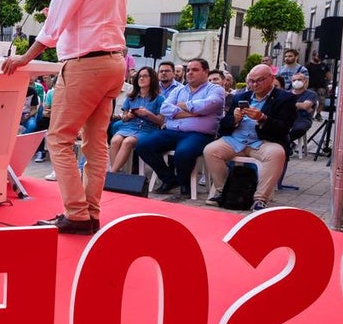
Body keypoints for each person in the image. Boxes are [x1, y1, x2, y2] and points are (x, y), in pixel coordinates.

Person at [2, 0, 128, 235]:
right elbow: (90, 17)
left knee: (58, 138)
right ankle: (91, 213)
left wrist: (23, 58)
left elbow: (53, 25)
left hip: (87, 65)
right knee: (95, 144)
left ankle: (76, 214)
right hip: (113, 62)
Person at [203, 64, 297, 211]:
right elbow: (223, 125)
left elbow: (284, 127)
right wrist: (234, 119)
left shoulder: (285, 98)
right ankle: (225, 191)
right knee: (210, 150)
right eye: (251, 81)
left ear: (271, 78)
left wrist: (263, 118)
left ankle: (260, 199)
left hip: (263, 141)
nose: (254, 84)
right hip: (236, 140)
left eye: (259, 80)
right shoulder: (241, 97)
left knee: (277, 153)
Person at [137, 58, 226, 197]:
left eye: (195, 70)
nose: (190, 73)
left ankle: (185, 183)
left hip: (198, 134)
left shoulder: (216, 89)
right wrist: (195, 113)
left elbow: (209, 104)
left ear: (206, 72)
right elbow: (164, 108)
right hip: (172, 131)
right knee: (143, 145)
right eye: (188, 70)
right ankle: (169, 179)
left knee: (183, 152)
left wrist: (183, 106)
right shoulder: (179, 90)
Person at [109, 66, 163, 173]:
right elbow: (124, 119)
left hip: (147, 129)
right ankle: (116, 171)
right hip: (129, 126)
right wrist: (128, 115)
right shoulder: (131, 97)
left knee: (127, 142)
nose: (141, 79)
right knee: (115, 141)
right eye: (139, 76)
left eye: (145, 76)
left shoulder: (159, 98)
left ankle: (112, 173)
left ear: (152, 79)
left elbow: (160, 122)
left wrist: (148, 114)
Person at [287, 72, 318, 152]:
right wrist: (300, 105)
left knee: (299, 129)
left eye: (299, 79)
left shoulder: (311, 94)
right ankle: (288, 144)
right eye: (294, 80)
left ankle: (286, 142)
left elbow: (305, 106)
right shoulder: (286, 93)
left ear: (305, 81)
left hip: (303, 119)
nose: (296, 82)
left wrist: (289, 104)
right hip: (288, 117)